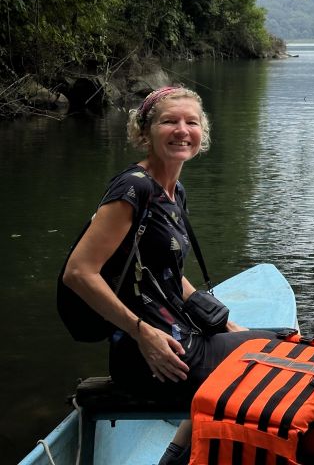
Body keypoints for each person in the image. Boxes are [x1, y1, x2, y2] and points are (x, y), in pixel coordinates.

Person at [62, 86, 277, 465]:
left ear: (202, 134)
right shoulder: (134, 188)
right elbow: (79, 273)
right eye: (169, 121)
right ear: (144, 133)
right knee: (276, 358)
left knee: (281, 347)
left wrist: (225, 324)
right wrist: (141, 332)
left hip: (180, 337)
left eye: (191, 122)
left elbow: (169, 274)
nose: (182, 130)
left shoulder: (174, 191)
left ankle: (173, 458)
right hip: (151, 355)